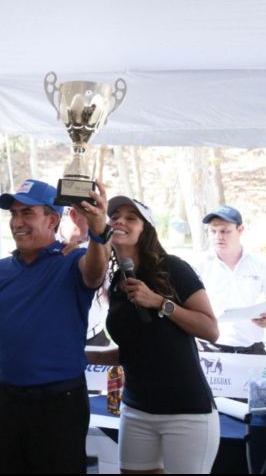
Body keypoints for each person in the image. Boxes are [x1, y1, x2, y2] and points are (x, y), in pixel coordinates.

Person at [0, 178, 110, 474]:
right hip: (10, 398)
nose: (17, 221)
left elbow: (95, 273)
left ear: (52, 219)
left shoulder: (73, 260)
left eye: (27, 213)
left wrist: (98, 231)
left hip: (60, 399)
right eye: (14, 214)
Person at [87, 196, 220, 474]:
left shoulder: (172, 268)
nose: (120, 221)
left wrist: (160, 302)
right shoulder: (115, 284)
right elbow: (140, 350)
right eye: (115, 216)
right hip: (137, 409)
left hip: (186, 411)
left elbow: (210, 330)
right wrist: (86, 355)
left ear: (145, 229)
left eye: (131, 217)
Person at [196, 205, 266, 355]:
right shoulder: (198, 265)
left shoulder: (260, 265)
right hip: (209, 349)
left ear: (240, 230)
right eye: (213, 231)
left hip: (251, 349)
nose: (218, 237)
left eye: (225, 231)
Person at [58, 206, 110, 347]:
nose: (97, 223)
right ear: (72, 215)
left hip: (95, 338)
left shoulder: (105, 244)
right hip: (55, 342)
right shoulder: (48, 247)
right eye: (90, 214)